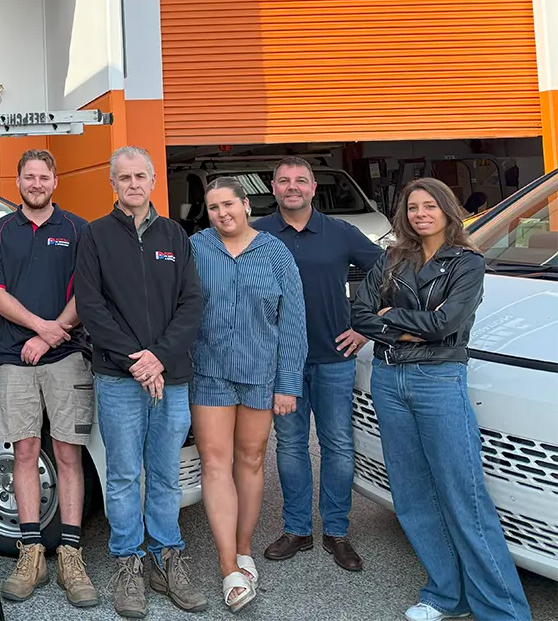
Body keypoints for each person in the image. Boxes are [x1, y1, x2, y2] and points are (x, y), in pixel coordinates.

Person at [352, 179, 532, 621]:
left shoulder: (467, 262)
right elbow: (357, 313)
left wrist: (389, 316)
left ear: (448, 210)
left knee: (463, 495)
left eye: (430, 205)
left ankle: (504, 610)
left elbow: (446, 324)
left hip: (438, 380)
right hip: (389, 381)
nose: (420, 214)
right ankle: (446, 596)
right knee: (412, 493)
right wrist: (411, 324)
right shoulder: (392, 258)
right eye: (412, 207)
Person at [74, 146, 207, 619]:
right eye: (123, 177)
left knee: (167, 472)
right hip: (119, 377)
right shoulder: (95, 236)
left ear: (153, 181)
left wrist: (159, 358)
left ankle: (166, 557)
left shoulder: (175, 234)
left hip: (169, 377)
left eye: (140, 176)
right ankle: (128, 562)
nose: (133, 184)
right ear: (113, 184)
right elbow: (91, 307)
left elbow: (192, 303)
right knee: (125, 473)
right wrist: (137, 360)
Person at [253, 156, 383, 570]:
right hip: (280, 364)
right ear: (272, 188)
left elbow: (388, 271)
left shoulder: (340, 232)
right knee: (290, 446)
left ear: (312, 188)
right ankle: (297, 530)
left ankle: (337, 532)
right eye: (284, 180)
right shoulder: (255, 234)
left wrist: (365, 326)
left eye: (301, 180)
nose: (293, 186)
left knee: (338, 445)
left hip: (334, 358)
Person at [0, 149, 97, 608]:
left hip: (66, 356)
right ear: (18, 181)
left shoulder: (77, 229)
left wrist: (51, 337)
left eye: (43, 176)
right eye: (28, 176)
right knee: (25, 451)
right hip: (15, 358)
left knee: (68, 453)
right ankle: (32, 552)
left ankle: (70, 553)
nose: (35, 183)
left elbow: (88, 292)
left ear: (55, 180)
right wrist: (39, 328)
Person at [189, 177, 306, 613]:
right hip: (210, 371)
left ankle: (243, 551)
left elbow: (293, 321)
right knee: (215, 464)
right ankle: (228, 571)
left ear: (245, 204)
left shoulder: (275, 253)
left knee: (252, 459)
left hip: (262, 372)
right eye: (213, 207)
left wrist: (288, 383)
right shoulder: (197, 248)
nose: (222, 213)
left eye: (228, 205)